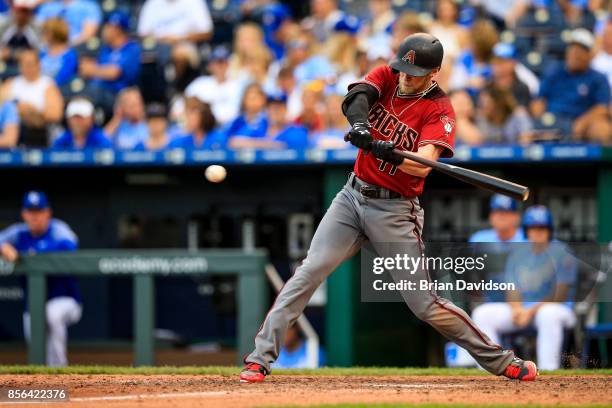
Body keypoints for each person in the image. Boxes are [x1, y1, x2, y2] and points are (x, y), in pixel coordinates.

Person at [240, 33, 538, 384]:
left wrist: (387, 150)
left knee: (424, 304)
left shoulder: (440, 110)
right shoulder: (388, 75)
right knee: (309, 271)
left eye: (415, 73)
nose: (406, 77)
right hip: (352, 198)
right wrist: (362, 126)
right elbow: (355, 98)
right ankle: (260, 358)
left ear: (434, 73)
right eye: (404, 69)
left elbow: (423, 164)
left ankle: (501, 361)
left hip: (396, 212)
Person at [472, 205, 577, 370]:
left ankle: (548, 370)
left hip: (557, 310)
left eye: (542, 228)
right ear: (526, 230)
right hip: (523, 312)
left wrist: (529, 311)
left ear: (549, 230)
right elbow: (512, 288)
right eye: (533, 228)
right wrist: (516, 309)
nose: (537, 232)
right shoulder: (518, 253)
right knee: (483, 313)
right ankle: (492, 369)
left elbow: (559, 295)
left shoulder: (562, 251)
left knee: (548, 315)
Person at [0, 190, 83, 367]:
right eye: (31, 212)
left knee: (51, 313)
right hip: (33, 305)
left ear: (48, 213)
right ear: (24, 214)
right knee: (36, 344)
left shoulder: (57, 229)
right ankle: (44, 382)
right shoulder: (19, 233)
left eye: (39, 211)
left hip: (67, 300)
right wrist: (3, 247)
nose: (35, 216)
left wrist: (37, 252)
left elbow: (70, 245)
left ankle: (60, 370)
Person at [531, 28, 610, 143]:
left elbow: (602, 108)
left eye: (580, 50)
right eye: (572, 49)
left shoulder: (598, 78)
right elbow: (539, 101)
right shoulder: (554, 72)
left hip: (580, 122)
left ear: (589, 55)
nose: (575, 53)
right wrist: (540, 121)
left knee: (602, 129)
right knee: (526, 130)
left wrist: (583, 122)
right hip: (553, 120)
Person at [1, 49, 63, 147]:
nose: (27, 67)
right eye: (24, 64)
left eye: (30, 64)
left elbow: (56, 115)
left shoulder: (47, 85)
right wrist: (17, 110)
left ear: (38, 64)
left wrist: (32, 112)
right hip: (14, 129)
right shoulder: (11, 84)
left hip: (39, 132)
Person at [79, 11, 141, 95]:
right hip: (98, 91)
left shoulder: (132, 49)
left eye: (109, 27)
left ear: (118, 30)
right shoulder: (106, 49)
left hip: (121, 94)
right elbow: (85, 68)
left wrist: (93, 70)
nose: (104, 30)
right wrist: (97, 70)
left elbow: (115, 72)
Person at [185, 46, 243, 125]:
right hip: (204, 127)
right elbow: (183, 104)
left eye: (222, 62)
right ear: (210, 66)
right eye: (216, 62)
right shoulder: (200, 83)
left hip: (230, 127)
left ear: (228, 64)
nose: (220, 66)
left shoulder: (237, 85)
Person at [137, 0, 213, 45]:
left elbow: (206, 33)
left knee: (180, 54)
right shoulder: (152, 3)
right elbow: (142, 34)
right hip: (159, 45)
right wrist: (161, 39)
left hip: (186, 43)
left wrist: (178, 39)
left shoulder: (194, 2)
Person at [35, 0, 101, 45]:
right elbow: (38, 31)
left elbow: (87, 34)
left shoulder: (89, 6)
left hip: (76, 49)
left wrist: (63, 47)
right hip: (49, 48)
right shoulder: (48, 6)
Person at [0, 0, 41, 70]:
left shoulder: (35, 27)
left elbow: (37, 51)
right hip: (5, 65)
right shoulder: (5, 25)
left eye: (25, 12)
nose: (22, 15)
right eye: (19, 12)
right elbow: (2, 51)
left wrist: (12, 54)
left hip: (28, 66)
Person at [226, 83, 268, 147]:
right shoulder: (237, 122)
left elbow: (275, 142)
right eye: (249, 98)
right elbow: (227, 140)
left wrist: (247, 143)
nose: (252, 101)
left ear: (263, 99)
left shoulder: (268, 121)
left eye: (255, 97)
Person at [39, 17, 78, 87]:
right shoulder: (42, 52)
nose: (43, 34)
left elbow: (63, 77)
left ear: (56, 32)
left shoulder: (69, 55)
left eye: (46, 31)